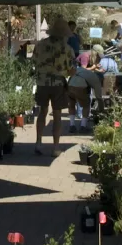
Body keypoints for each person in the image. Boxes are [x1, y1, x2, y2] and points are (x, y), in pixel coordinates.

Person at [33, 16, 75, 155]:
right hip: (58, 84)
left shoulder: (40, 45)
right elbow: (71, 70)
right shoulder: (67, 49)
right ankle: (55, 147)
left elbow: (34, 61)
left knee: (42, 112)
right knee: (57, 115)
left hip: (42, 82)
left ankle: (38, 142)